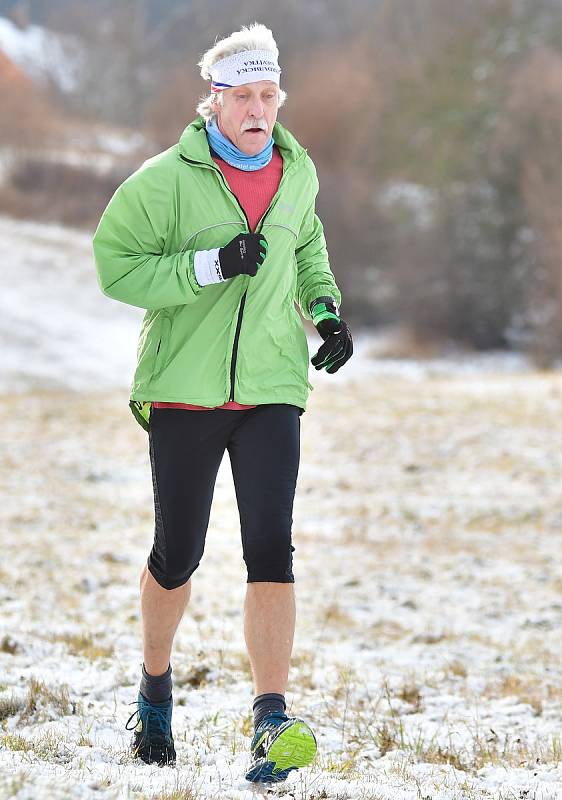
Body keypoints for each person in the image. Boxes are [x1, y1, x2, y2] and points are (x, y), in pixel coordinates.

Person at [92, 22, 353, 785]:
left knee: (272, 546)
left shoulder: (296, 171)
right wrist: (209, 264)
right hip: (185, 390)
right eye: (243, 95)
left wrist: (327, 310)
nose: (258, 109)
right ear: (213, 101)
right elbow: (116, 266)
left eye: (269, 94)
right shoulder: (163, 180)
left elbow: (308, 248)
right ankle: (156, 690)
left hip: (272, 386)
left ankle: (270, 719)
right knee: (180, 555)